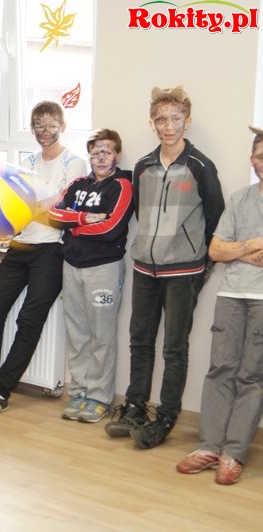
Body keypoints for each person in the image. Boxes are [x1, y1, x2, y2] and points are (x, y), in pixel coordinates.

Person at [105, 86, 224, 449]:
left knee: (174, 348)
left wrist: (201, 267)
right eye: (161, 119)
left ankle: (167, 416)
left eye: (175, 118)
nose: (168, 126)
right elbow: (142, 214)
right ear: (151, 123)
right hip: (145, 269)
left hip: (183, 274)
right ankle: (135, 407)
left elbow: (216, 218)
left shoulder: (201, 166)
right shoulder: (143, 166)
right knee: (140, 340)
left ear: (188, 121)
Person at [0, 100, 87, 417]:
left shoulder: (75, 164)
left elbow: (59, 207)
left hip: (52, 251)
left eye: (51, 125)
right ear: (32, 129)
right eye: (39, 125)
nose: (45, 131)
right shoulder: (26, 162)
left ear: (63, 126)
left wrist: (26, 207)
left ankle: (0, 391)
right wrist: (14, 211)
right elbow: (11, 207)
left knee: (28, 320)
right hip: (20, 246)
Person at [175, 126, 263, 485]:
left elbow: (228, 250)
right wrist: (251, 246)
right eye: (261, 156)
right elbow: (215, 250)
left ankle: (233, 453)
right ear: (252, 160)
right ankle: (209, 447)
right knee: (220, 370)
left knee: (252, 376)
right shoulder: (241, 199)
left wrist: (235, 249)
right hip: (231, 295)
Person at [48, 129, 134, 422]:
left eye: (107, 151)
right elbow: (54, 215)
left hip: (104, 269)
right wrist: (85, 218)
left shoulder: (121, 186)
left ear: (117, 155)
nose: (101, 157)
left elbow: (111, 228)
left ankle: (99, 397)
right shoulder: (78, 184)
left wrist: (74, 227)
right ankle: (79, 392)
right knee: (77, 334)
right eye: (96, 152)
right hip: (71, 266)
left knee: (102, 336)